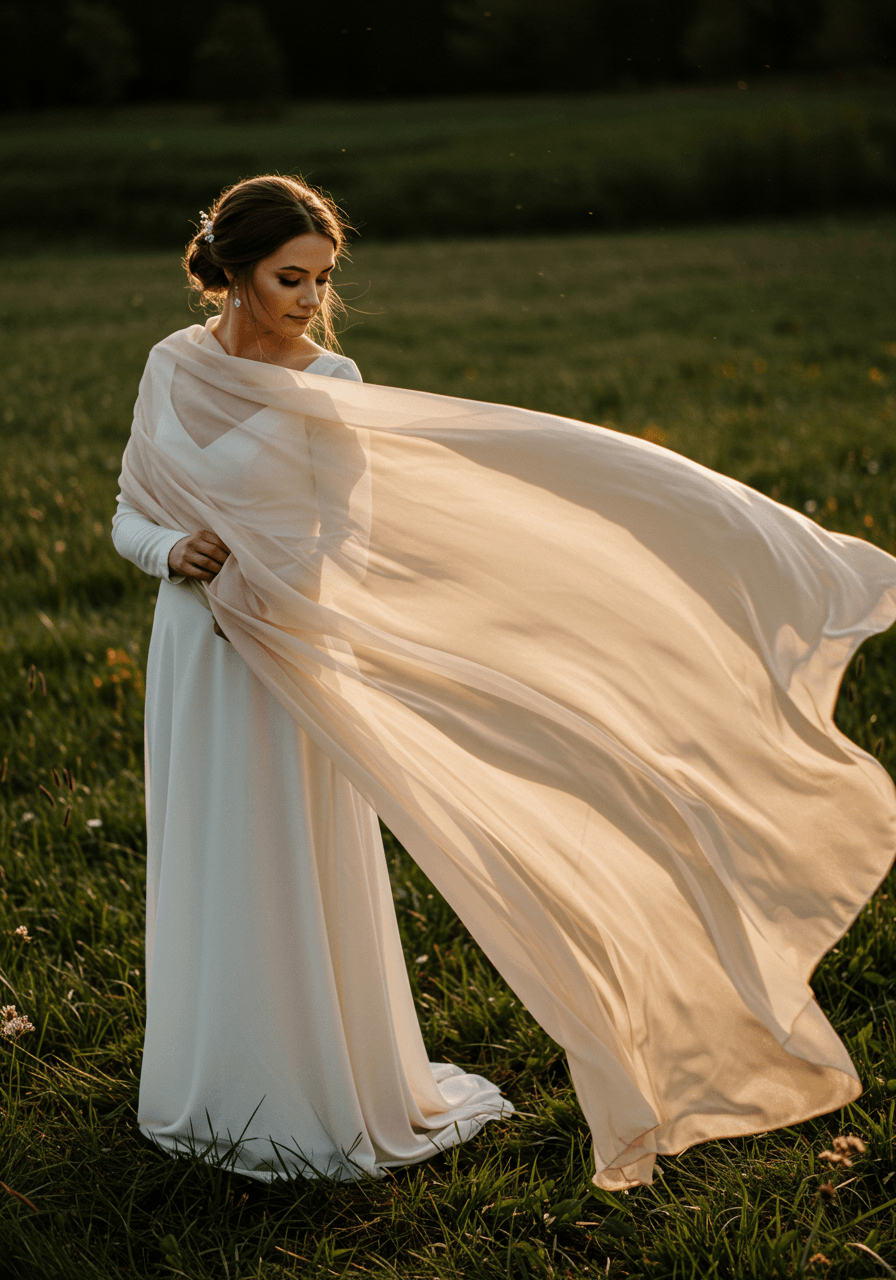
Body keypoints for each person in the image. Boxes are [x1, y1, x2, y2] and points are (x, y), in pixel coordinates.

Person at [114, 174, 896, 1191]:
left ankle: (315, 1083)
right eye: (288, 278)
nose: (309, 298)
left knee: (288, 855)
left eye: (321, 278)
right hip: (193, 650)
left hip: (288, 647)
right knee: (210, 851)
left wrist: (286, 596)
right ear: (230, 272)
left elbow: (347, 530)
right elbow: (128, 510)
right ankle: (211, 1079)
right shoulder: (170, 366)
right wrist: (172, 549)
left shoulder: (331, 381)